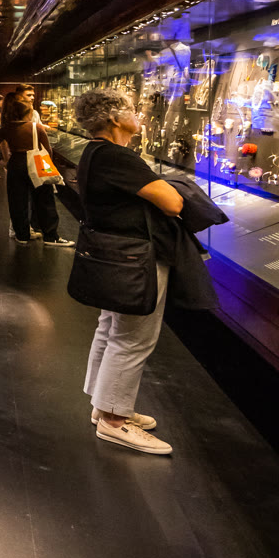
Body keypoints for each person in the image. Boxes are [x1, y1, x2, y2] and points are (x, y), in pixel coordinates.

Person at [74, 86, 184, 456]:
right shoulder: (117, 157)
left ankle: (104, 404)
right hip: (134, 258)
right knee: (134, 337)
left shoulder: (96, 152)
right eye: (131, 109)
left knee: (111, 327)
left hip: (114, 255)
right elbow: (172, 202)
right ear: (114, 118)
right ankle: (114, 420)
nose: (138, 114)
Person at [0, 84, 61, 244]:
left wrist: (5, 160)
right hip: (37, 161)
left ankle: (22, 235)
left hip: (16, 161)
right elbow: (47, 149)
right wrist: (49, 165)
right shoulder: (36, 127)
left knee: (17, 200)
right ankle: (50, 236)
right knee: (45, 199)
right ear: (27, 113)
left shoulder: (7, 127)